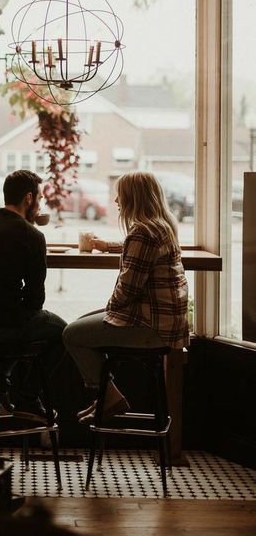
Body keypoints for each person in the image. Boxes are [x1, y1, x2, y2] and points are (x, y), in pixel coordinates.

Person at [62, 171, 189, 423]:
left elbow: (127, 291)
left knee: (72, 334)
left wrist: (110, 311)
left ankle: (108, 396)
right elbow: (137, 249)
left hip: (152, 327)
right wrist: (107, 246)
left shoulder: (142, 232)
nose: (116, 200)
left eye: (120, 195)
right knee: (83, 321)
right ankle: (105, 397)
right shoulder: (161, 226)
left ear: (133, 198)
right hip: (167, 323)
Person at [0, 169, 67, 418]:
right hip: (4, 325)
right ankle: (28, 398)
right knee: (64, 332)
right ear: (29, 198)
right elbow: (35, 299)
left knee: (16, 323)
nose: (40, 204)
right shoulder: (32, 235)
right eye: (39, 198)